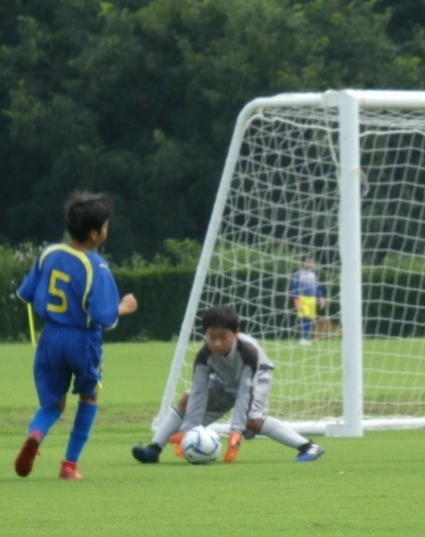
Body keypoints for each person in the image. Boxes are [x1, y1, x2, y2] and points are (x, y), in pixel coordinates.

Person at [14, 191, 139, 480]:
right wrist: (123, 307)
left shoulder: (49, 253)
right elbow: (103, 316)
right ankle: (69, 465)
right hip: (82, 340)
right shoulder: (97, 266)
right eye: (106, 226)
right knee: (89, 396)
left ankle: (35, 433)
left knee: (52, 405)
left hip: (51, 337)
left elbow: (28, 294)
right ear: (95, 233)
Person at [131, 305, 324, 464]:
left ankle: (308, 446)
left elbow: (244, 394)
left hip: (258, 377)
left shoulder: (248, 353)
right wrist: (188, 431)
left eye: (223, 337)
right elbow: (198, 394)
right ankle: (153, 450)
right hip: (225, 380)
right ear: (205, 334)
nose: (216, 343)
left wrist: (236, 432)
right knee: (187, 399)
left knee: (252, 419)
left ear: (236, 333)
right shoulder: (204, 356)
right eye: (211, 337)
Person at [290, 255, 326, 346]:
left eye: (311, 261)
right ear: (303, 263)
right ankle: (302, 338)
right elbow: (294, 288)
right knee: (303, 319)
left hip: (312, 299)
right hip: (302, 298)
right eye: (308, 261)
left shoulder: (313, 274)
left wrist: (321, 298)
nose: (310, 263)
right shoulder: (298, 274)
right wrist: (296, 301)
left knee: (310, 319)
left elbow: (317, 287)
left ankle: (307, 338)